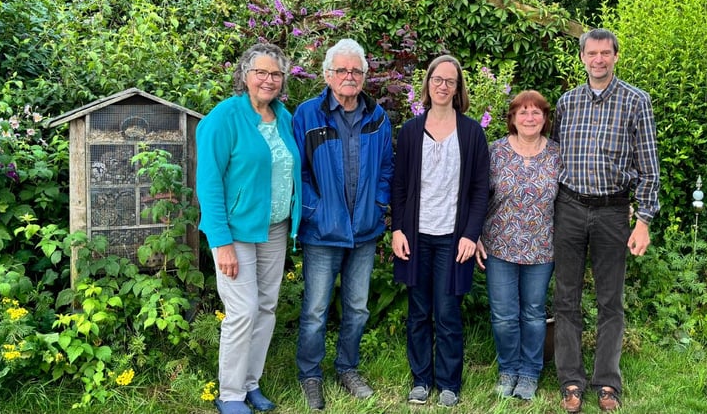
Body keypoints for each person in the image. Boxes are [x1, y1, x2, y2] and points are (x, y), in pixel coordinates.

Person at [552, 28, 660, 413]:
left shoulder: (636, 101)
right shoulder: (567, 103)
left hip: (613, 211)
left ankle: (607, 382)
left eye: (605, 53)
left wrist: (643, 219)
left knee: (610, 300)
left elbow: (649, 168)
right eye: (591, 53)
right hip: (569, 208)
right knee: (566, 298)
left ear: (616, 56)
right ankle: (570, 379)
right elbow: (554, 156)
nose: (598, 59)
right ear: (582, 57)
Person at [196, 43, 302, 414]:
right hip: (235, 232)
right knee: (243, 310)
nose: (268, 80)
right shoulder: (223, 118)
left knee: (267, 307)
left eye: (276, 74)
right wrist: (220, 242)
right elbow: (208, 183)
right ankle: (230, 394)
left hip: (274, 228)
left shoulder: (284, 117)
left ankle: (250, 383)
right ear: (245, 75)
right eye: (261, 72)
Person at [291, 38, 394, 411]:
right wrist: (316, 210)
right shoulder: (306, 115)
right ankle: (311, 375)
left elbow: (386, 167)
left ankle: (348, 368)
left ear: (365, 75)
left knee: (357, 307)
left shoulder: (378, 117)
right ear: (327, 74)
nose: (349, 76)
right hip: (322, 231)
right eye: (342, 70)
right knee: (316, 308)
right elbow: (297, 172)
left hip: (365, 231)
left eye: (356, 70)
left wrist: (380, 202)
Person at [390, 55, 490, 408]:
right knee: (418, 311)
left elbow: (480, 189)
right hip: (416, 237)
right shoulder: (411, 131)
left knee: (447, 313)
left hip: (453, 238)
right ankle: (421, 380)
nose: (443, 86)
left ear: (458, 88)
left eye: (450, 81)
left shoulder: (472, 132)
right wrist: (397, 229)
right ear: (428, 84)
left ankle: (449, 383)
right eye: (438, 79)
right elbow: (399, 186)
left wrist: (470, 233)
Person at [476, 90, 561, 401]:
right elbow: (476, 197)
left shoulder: (556, 154)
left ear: (545, 118)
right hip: (498, 246)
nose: (529, 118)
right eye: (523, 112)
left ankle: (529, 372)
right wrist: (475, 236)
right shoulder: (494, 151)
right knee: (503, 314)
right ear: (512, 118)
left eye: (536, 112)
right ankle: (508, 368)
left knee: (534, 313)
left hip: (542, 248)